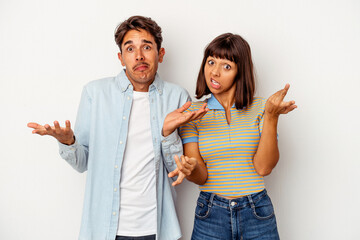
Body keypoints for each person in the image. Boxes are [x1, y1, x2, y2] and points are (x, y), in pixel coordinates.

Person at [27, 16, 206, 240]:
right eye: (130, 48)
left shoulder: (177, 97)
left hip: (157, 229)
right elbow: (82, 163)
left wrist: (167, 134)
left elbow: (176, 171)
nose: (139, 55)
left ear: (160, 54)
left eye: (147, 47)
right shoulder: (95, 93)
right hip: (104, 230)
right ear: (121, 58)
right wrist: (68, 142)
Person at [166, 33, 297, 239]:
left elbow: (264, 167)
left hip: (257, 211)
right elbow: (201, 176)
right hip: (211, 213)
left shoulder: (262, 107)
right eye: (211, 62)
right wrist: (190, 169)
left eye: (226, 66)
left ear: (240, 72)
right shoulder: (193, 112)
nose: (215, 72)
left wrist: (271, 116)